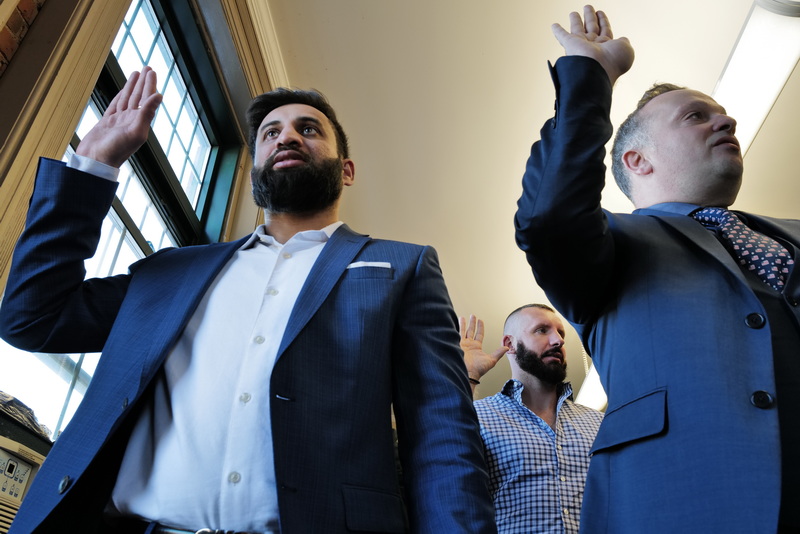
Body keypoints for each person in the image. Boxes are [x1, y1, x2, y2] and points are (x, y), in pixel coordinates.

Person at [0, 68, 496, 533]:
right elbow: (32, 317)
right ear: (257, 165)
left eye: (309, 129)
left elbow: (442, 438)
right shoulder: (173, 271)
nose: (287, 136)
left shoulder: (403, 267)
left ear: (346, 170)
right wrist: (93, 166)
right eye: (270, 132)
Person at [514, 5, 800, 533]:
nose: (728, 120)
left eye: (721, 113)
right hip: (683, 505)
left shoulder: (790, 232)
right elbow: (548, 216)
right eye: (695, 115)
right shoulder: (610, 244)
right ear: (637, 161)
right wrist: (589, 76)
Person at [459, 306, 602, 534]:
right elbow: (445, 465)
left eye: (561, 333)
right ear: (510, 344)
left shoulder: (599, 423)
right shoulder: (479, 416)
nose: (558, 341)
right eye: (542, 330)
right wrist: (469, 376)